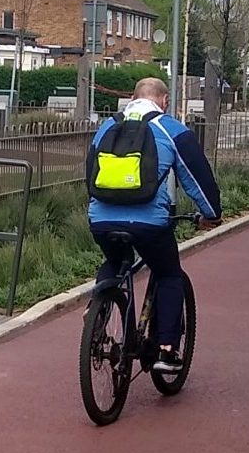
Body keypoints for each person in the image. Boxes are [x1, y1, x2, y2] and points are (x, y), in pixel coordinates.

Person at [87, 77, 221, 375]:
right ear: (163, 101)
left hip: (102, 219)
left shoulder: (106, 127)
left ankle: (97, 310)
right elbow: (196, 178)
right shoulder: (169, 128)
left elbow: (90, 175)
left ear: (132, 98)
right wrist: (211, 214)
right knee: (168, 273)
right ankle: (167, 350)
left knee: (114, 259)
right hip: (149, 223)